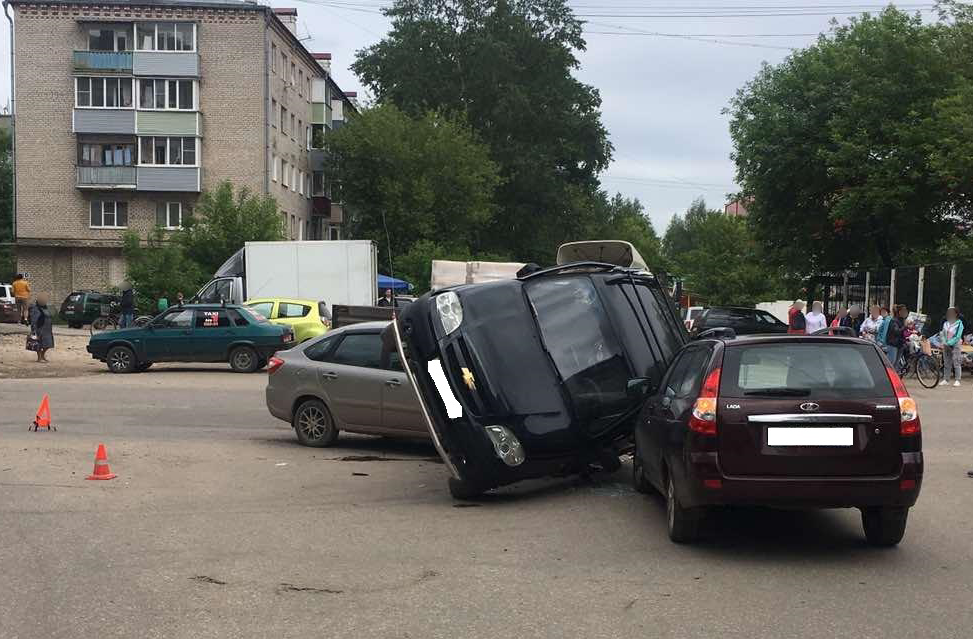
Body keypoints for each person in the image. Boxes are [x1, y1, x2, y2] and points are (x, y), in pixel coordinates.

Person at [939, 307, 964, 387]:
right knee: (946, 362)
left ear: (956, 314)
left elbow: (958, 335)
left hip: (955, 344)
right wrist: (944, 341)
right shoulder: (945, 323)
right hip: (946, 344)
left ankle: (957, 379)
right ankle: (946, 379)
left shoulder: (959, 323)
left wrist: (950, 343)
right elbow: (942, 333)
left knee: (956, 361)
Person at [29, 293, 54, 363]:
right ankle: (39, 357)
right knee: (39, 343)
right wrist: (33, 329)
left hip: (47, 329)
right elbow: (33, 319)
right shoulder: (35, 308)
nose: (44, 301)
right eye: (43, 299)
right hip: (39, 328)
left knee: (48, 344)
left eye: (45, 299)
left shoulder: (45, 307)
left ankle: (42, 355)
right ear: (39, 300)